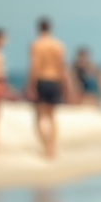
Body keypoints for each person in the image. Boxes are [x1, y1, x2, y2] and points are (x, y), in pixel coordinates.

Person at [25, 17, 67, 159]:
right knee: (52, 117)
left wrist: (30, 85)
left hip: (41, 80)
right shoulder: (58, 45)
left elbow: (34, 66)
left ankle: (45, 147)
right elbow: (62, 67)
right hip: (54, 81)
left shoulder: (36, 45)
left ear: (38, 28)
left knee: (40, 117)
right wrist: (63, 85)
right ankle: (52, 147)